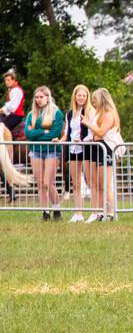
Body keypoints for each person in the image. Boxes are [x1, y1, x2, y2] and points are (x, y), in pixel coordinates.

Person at [24, 86, 65, 220]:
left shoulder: (56, 113)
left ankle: (57, 208)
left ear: (48, 97)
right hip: (35, 151)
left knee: (48, 182)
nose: (39, 100)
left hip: (51, 151)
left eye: (41, 97)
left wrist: (37, 133)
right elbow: (28, 134)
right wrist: (44, 132)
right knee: (40, 182)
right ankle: (45, 212)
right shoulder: (31, 114)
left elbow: (55, 134)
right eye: (36, 97)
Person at [86, 87, 122, 221]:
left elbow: (101, 132)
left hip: (106, 149)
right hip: (98, 148)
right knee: (99, 183)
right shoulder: (99, 113)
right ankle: (102, 211)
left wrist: (88, 124)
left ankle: (111, 212)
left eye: (95, 101)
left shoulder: (109, 114)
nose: (94, 104)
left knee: (106, 184)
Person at [63, 84, 95, 220]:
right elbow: (67, 133)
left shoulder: (90, 111)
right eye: (79, 95)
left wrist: (83, 140)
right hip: (73, 148)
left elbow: (93, 131)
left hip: (86, 148)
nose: (81, 98)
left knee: (90, 182)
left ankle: (95, 212)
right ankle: (78, 213)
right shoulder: (70, 114)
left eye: (84, 95)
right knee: (75, 183)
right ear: (75, 96)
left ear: (87, 97)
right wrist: (60, 140)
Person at [1, 69, 25, 201]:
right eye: (5, 80)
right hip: (11, 114)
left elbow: (13, 107)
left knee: (3, 127)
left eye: (9, 80)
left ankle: (7, 146)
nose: (7, 82)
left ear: (14, 80)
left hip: (16, 116)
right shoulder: (11, 90)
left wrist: (2, 109)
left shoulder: (16, 90)